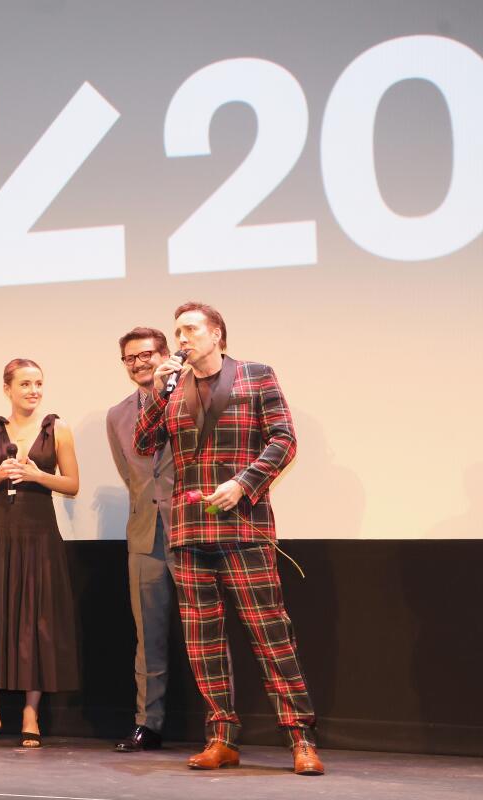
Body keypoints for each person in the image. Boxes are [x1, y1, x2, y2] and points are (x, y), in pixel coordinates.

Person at [135, 302, 323, 776]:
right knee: (203, 641)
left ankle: (300, 738)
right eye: (177, 330)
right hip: (189, 528)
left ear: (217, 334)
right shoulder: (172, 386)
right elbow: (143, 443)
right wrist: (159, 392)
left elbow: (284, 440)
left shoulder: (255, 374)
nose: (182, 338)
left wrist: (243, 483)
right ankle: (221, 737)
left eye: (191, 329)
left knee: (271, 634)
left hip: (244, 524)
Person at [0, 358, 80, 749]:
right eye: (25, 384)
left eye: (39, 383)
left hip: (39, 537)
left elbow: (72, 484)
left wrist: (38, 475)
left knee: (36, 620)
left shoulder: (58, 429)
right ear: (7, 388)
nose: (34, 390)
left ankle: (30, 714)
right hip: (0, 534)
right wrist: (1, 473)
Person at [106, 327, 176, 753]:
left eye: (146, 354)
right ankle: (147, 723)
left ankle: (220, 727)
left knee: (207, 634)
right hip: (144, 534)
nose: (139, 363)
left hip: (192, 530)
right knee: (147, 637)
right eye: (130, 358)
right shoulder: (117, 414)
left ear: (165, 355)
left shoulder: (191, 397)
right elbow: (132, 474)